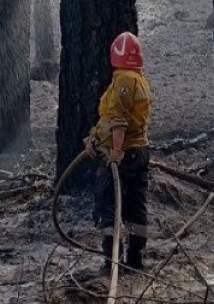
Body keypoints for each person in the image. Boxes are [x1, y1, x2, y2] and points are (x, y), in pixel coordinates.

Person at [83, 31, 153, 272]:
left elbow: (118, 121)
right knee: (136, 204)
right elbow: (111, 120)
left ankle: (112, 262)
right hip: (139, 150)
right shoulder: (138, 79)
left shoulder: (123, 81)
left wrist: (115, 151)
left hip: (123, 154)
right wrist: (94, 137)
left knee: (108, 204)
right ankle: (135, 259)